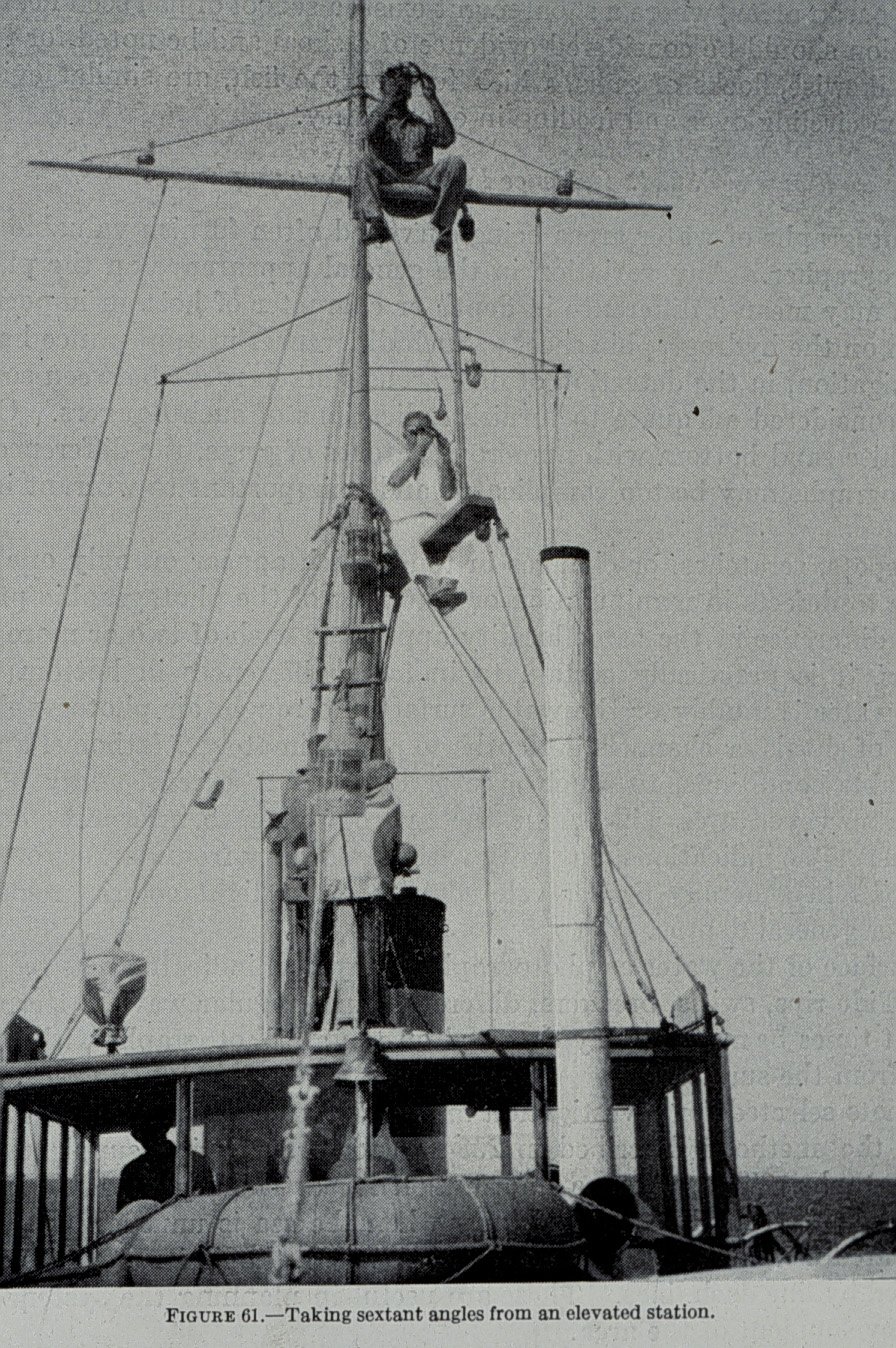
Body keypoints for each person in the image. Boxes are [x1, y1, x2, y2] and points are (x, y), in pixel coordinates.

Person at [354, 64, 472, 253]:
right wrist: (389, 99)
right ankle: (377, 223)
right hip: (391, 189)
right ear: (385, 90)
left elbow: (446, 138)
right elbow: (365, 133)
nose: (400, 92)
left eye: (403, 87)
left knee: (456, 164)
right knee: (364, 161)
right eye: (394, 86)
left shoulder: (419, 124)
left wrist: (432, 98)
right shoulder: (379, 122)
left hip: (421, 188)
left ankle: (444, 229)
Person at [116, 1120, 216, 1211]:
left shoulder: (193, 1161)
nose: (148, 1135)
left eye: (152, 1128)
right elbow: (125, 1216)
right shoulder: (132, 1171)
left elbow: (209, 1204)